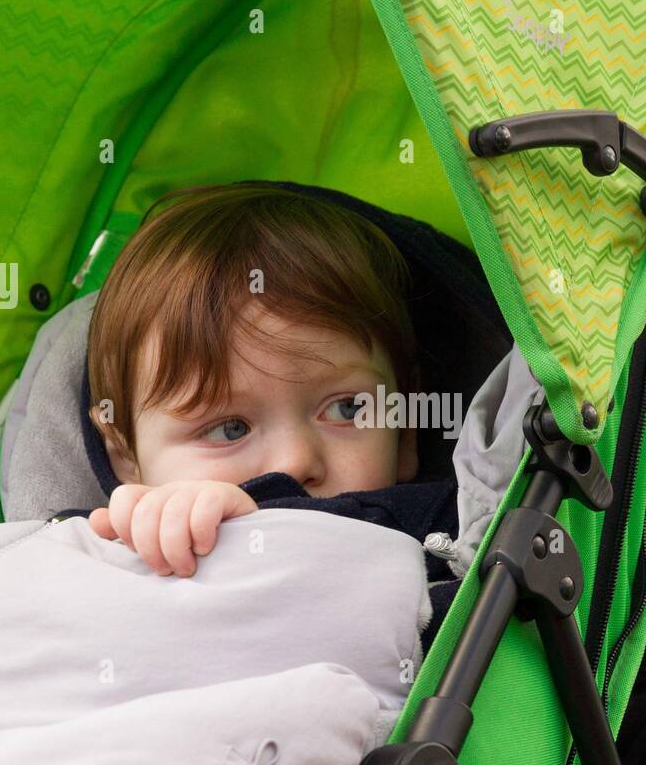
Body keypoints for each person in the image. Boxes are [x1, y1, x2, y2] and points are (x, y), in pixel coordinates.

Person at [84, 182, 443, 579]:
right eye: (229, 429)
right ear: (126, 456)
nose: (293, 462)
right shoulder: (91, 564)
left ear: (406, 430)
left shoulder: (456, 543)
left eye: (347, 408)